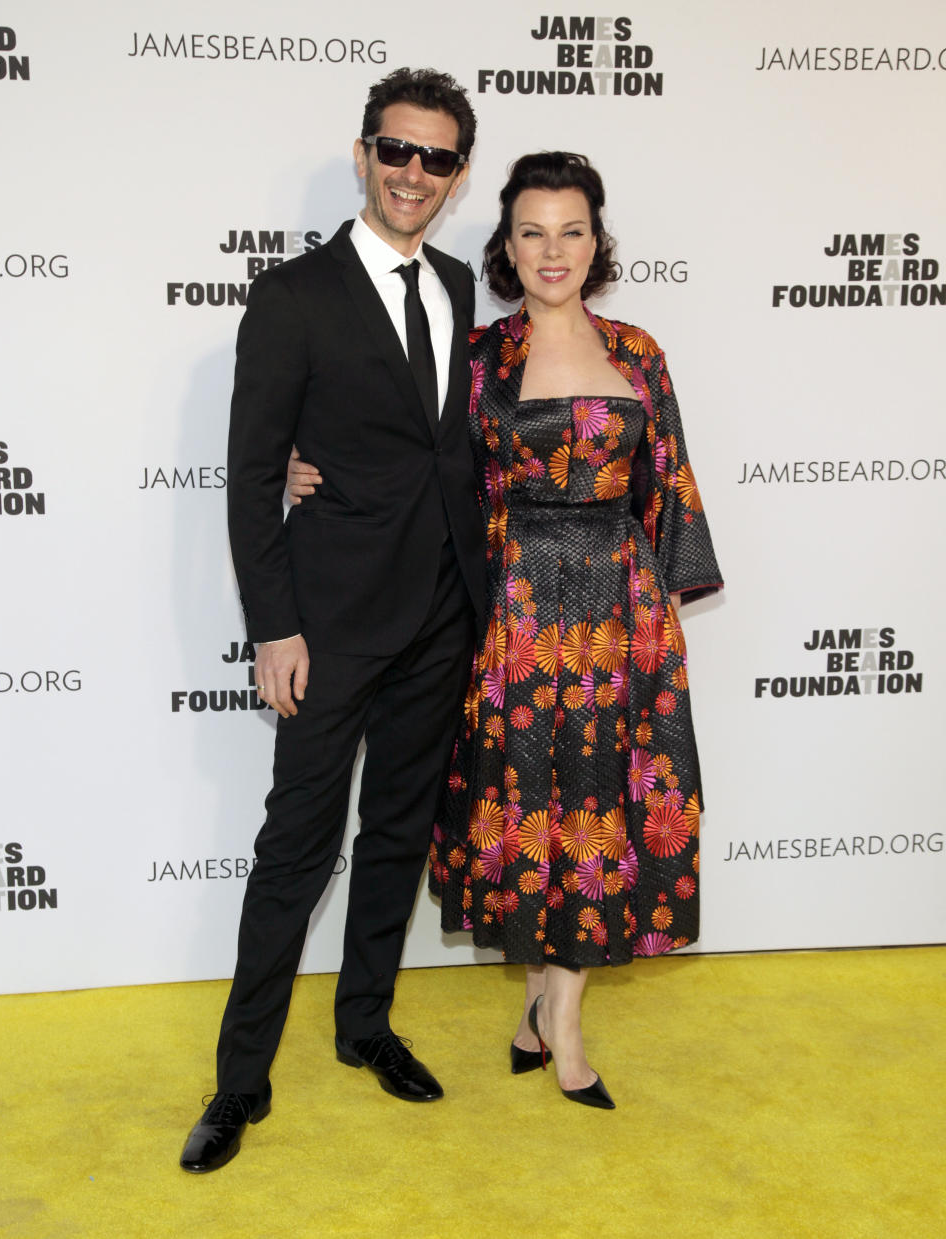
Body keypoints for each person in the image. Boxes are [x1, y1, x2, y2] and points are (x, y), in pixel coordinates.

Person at [290, 152, 723, 1109]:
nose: (553, 250)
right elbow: (403, 449)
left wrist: (660, 619)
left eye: (572, 230)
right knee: (536, 819)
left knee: (601, 809)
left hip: (618, 621)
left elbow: (673, 486)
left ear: (596, 240)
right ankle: (536, 1010)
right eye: (533, 231)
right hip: (514, 619)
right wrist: (295, 455)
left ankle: (562, 1024)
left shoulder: (640, 351)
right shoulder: (478, 359)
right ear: (507, 245)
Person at [179, 67, 486, 1174]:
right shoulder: (293, 294)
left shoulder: (457, 283)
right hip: (329, 623)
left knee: (399, 836)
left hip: (444, 614)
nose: (414, 173)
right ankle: (238, 1082)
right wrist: (274, 627)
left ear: (456, 176)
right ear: (364, 155)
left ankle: (365, 1027)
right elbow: (251, 469)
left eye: (438, 158)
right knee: (295, 850)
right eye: (396, 151)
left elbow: (446, 448)